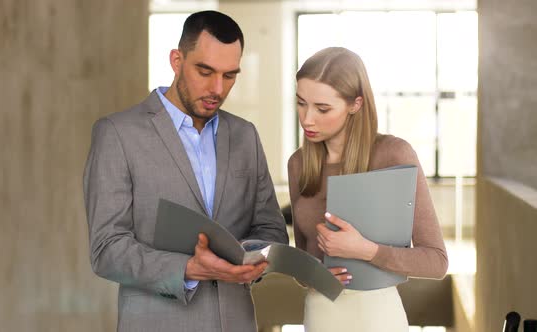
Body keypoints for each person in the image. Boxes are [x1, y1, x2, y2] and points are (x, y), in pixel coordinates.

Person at [83, 10, 288, 332]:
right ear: (177, 60)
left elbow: (271, 228)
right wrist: (189, 268)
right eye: (205, 71)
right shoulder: (118, 133)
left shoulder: (245, 135)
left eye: (229, 75)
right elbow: (107, 249)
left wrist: (253, 261)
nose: (217, 89)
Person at [287, 47, 449, 331]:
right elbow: (304, 261)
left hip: (377, 317)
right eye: (301, 103)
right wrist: (311, 273)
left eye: (322, 108)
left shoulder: (394, 154)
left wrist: (366, 250)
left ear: (356, 104)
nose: (307, 119)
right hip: (320, 315)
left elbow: (436, 261)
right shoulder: (298, 165)